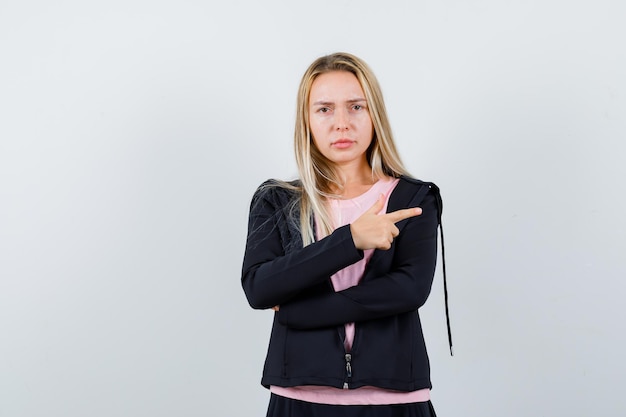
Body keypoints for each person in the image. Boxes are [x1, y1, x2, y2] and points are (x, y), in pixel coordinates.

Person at [241, 52, 450, 417]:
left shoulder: (413, 198)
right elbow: (259, 287)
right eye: (324, 109)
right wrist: (349, 240)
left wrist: (297, 312)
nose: (342, 123)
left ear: (375, 115)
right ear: (306, 119)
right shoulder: (276, 199)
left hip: (396, 401)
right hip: (299, 399)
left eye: (356, 106)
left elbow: (409, 289)